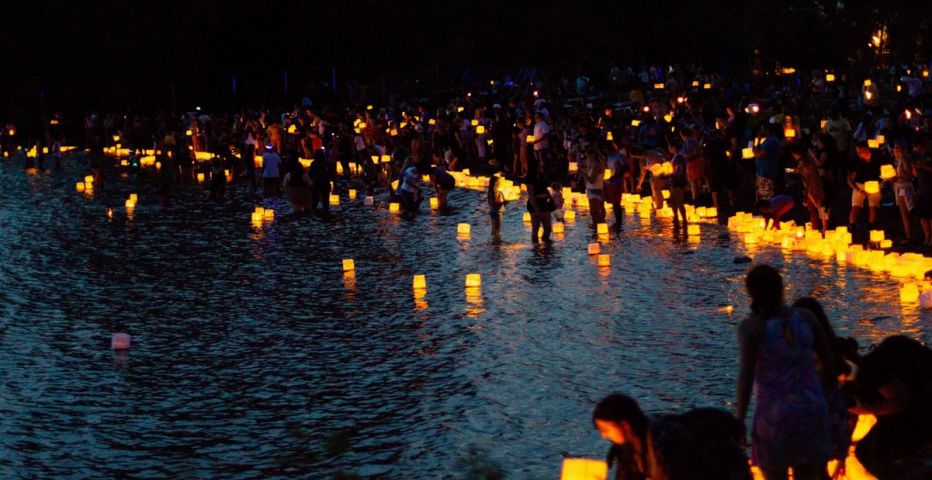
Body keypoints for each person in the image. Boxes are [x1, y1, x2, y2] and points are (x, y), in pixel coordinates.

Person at [736, 264, 835, 480]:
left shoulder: (752, 327)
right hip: (811, 407)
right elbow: (829, 362)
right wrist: (812, 389)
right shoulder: (806, 317)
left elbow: (746, 377)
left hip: (774, 414)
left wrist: (740, 419)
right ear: (781, 287)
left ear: (751, 292)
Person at [593, 393, 751, 480]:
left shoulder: (665, 442)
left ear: (624, 425)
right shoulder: (628, 447)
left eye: (605, 429)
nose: (603, 436)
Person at [849, 336, 932, 479]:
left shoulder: (870, 369)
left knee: (868, 452)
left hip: (922, 405)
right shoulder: (866, 372)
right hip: (916, 404)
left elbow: (900, 401)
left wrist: (866, 410)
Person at [790, 297, 854, 475]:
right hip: (832, 411)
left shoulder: (806, 350)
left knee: (807, 468)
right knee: (818, 469)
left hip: (815, 413)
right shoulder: (831, 347)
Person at [848, 140, 881, 233]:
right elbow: (849, 180)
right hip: (860, 184)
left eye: (860, 151)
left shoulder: (877, 157)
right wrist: (860, 190)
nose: (858, 154)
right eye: (857, 151)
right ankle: (852, 227)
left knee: (873, 207)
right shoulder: (856, 160)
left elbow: (884, 170)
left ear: (867, 149)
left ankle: (871, 227)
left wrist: (884, 180)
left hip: (874, 185)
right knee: (856, 206)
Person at [793, 145, 826, 234]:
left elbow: (806, 177)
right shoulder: (807, 161)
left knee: (818, 209)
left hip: (812, 189)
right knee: (816, 210)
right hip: (813, 188)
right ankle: (818, 228)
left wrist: (788, 170)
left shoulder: (804, 163)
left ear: (796, 154)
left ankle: (821, 229)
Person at [524, 147, 554, 244]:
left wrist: (551, 199)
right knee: (536, 228)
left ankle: (546, 244)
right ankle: (536, 248)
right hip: (535, 203)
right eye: (540, 164)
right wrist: (536, 207)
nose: (542, 165)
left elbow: (545, 189)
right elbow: (531, 194)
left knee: (548, 227)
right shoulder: (530, 178)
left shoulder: (541, 176)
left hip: (545, 202)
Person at [891, 139, 916, 244]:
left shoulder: (904, 159)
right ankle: (908, 234)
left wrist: (896, 178)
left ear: (903, 148)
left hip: (905, 188)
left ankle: (910, 236)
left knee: (906, 213)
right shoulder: (899, 160)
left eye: (898, 148)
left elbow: (910, 175)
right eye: (895, 147)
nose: (896, 150)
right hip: (900, 187)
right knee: (904, 213)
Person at [753, 123, 783, 201]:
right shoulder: (766, 140)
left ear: (767, 130)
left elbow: (760, 154)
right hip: (761, 172)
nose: (760, 131)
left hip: (767, 173)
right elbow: (756, 152)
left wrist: (757, 151)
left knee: (766, 197)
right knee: (761, 196)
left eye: (762, 129)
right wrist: (758, 141)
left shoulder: (772, 141)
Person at [583, 146, 606, 226]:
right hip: (591, 190)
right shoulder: (592, 166)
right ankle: (596, 226)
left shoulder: (597, 166)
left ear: (593, 155)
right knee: (593, 211)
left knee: (595, 211)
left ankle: (598, 226)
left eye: (587, 156)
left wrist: (582, 173)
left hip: (595, 191)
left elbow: (592, 180)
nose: (587, 158)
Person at [668, 140, 688, 231]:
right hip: (674, 181)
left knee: (679, 201)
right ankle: (675, 217)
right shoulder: (676, 156)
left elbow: (679, 170)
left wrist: (670, 175)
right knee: (673, 200)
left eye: (669, 147)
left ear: (673, 147)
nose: (669, 148)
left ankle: (684, 219)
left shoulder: (679, 156)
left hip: (678, 181)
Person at [487, 175, 507, 243]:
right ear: (495, 183)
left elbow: (497, 203)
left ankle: (494, 242)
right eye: (499, 182)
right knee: (497, 230)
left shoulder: (495, 192)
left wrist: (504, 202)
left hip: (494, 212)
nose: (500, 183)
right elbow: (493, 203)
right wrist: (503, 202)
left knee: (494, 230)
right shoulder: (492, 192)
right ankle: (496, 243)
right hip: (496, 213)